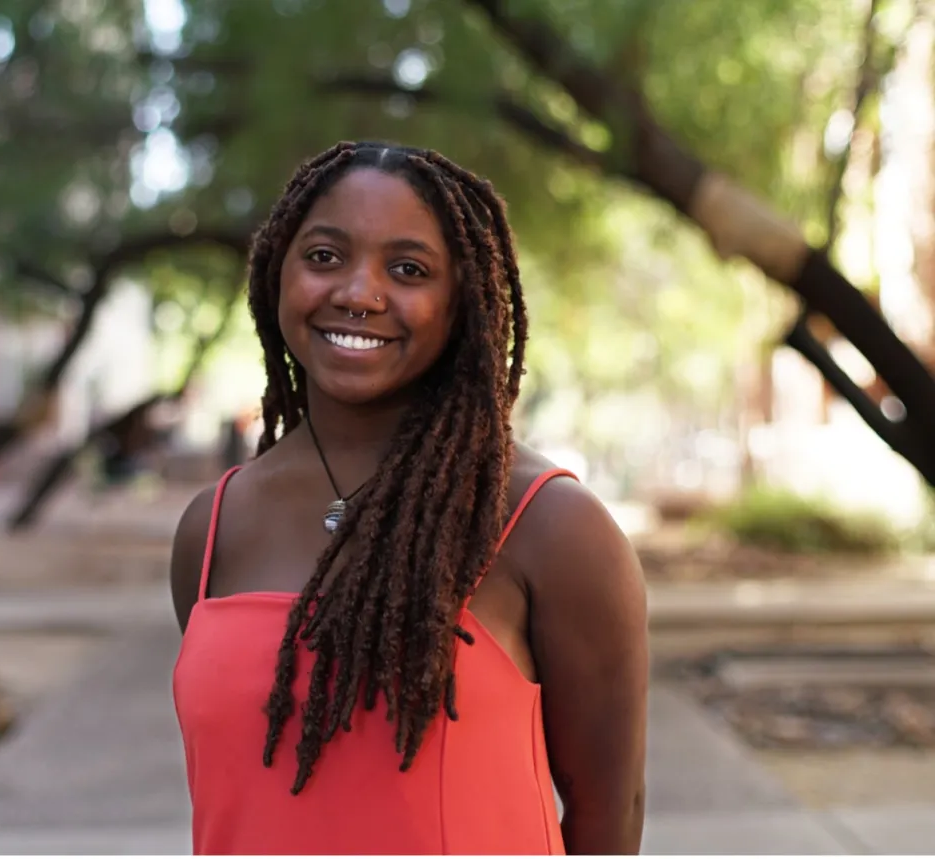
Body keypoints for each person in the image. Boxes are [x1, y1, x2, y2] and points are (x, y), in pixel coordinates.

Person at [170, 141, 648, 855]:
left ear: (462, 301)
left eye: (408, 269)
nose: (359, 292)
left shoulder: (550, 526)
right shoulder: (214, 525)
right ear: (277, 273)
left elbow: (610, 811)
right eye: (325, 256)